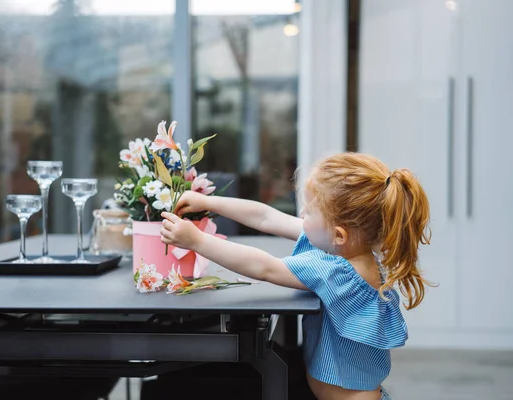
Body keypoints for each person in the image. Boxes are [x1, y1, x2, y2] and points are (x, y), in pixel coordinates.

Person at [160, 152, 431, 400]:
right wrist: (208, 201)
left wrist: (197, 241)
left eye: (309, 211)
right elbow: (266, 217)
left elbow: (264, 267)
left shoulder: (335, 272)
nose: (301, 214)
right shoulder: (347, 251)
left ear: (339, 234)